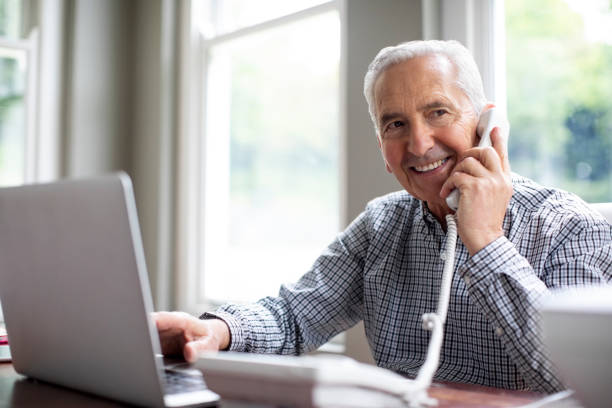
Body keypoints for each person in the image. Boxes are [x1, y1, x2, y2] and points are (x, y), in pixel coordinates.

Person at [154, 40, 612, 393]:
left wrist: (487, 241)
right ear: (383, 151)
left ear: (486, 124)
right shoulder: (381, 225)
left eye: (438, 112)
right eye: (395, 124)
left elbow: (574, 381)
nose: (418, 143)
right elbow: (295, 315)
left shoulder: (571, 226)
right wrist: (216, 331)